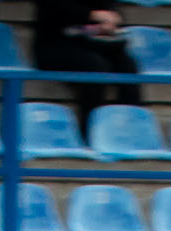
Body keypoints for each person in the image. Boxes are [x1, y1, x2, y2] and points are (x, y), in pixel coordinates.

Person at [34, 0, 143, 134]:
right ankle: (91, 133)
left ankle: (130, 130)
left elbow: (109, 9)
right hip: (55, 44)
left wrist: (110, 20)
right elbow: (54, 9)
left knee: (127, 66)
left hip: (92, 42)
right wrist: (93, 15)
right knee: (96, 67)